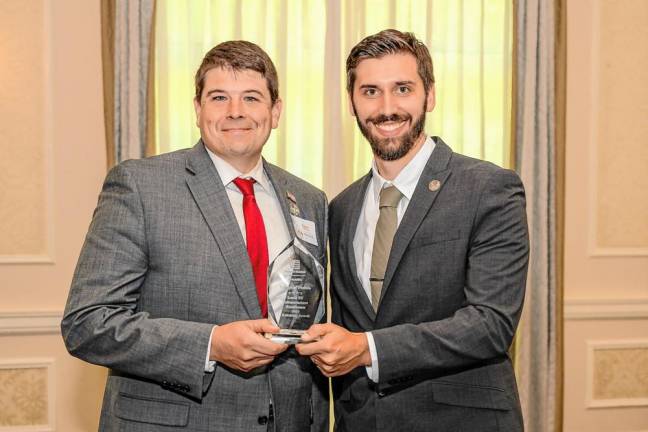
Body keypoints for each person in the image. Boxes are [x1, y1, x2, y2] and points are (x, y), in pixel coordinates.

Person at [62, 40, 328, 432]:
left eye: (251, 98)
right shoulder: (141, 186)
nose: (235, 112)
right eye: (219, 97)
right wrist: (210, 344)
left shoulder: (309, 200)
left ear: (275, 112)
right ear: (198, 109)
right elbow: (88, 323)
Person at [296, 29, 528, 431]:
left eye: (402, 88)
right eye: (370, 91)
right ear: (352, 102)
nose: (387, 108)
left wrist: (367, 349)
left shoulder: (489, 188)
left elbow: (491, 325)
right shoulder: (341, 207)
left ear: (429, 95)